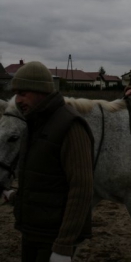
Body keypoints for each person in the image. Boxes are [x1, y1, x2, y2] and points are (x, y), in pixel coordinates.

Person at [2, 61, 94, 262]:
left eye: (23, 93)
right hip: (32, 231)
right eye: (16, 93)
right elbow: (43, 179)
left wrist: (64, 245)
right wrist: (16, 197)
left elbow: (81, 189)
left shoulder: (71, 126)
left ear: (41, 90)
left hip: (53, 238)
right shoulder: (33, 124)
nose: (17, 100)